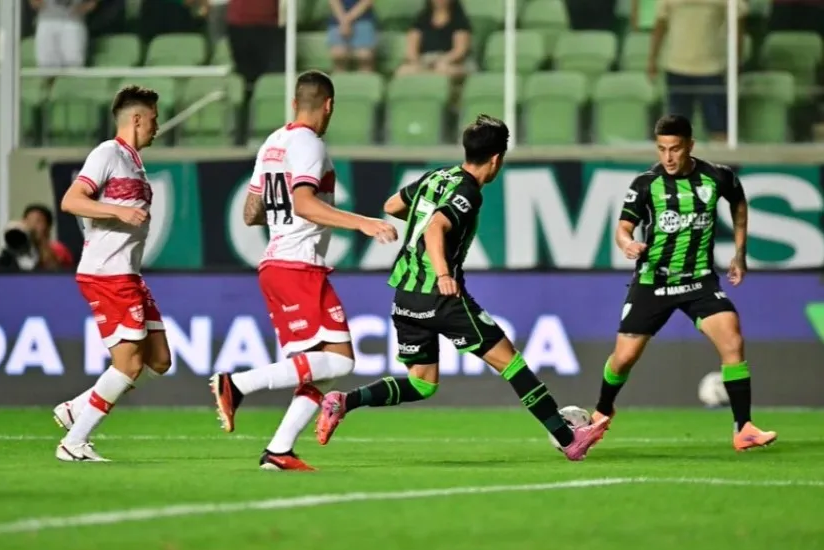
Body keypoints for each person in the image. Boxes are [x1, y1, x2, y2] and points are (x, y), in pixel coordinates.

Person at [314, 115, 611, 462]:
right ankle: (567, 439)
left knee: (422, 382)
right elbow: (435, 228)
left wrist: (425, 222)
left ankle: (343, 401)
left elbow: (392, 205)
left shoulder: (437, 176)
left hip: (405, 295)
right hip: (441, 297)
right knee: (511, 364)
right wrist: (442, 273)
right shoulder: (467, 190)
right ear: (497, 159)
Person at [209, 70, 398, 472]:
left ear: (295, 103)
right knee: (342, 361)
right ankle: (237, 384)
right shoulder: (309, 143)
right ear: (328, 105)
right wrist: (362, 222)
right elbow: (305, 204)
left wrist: (283, 217)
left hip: (277, 263)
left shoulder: (272, 143)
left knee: (321, 371)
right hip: (298, 266)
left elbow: (250, 212)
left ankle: (279, 450)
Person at [591, 115, 777, 451]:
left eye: (675, 149)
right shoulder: (646, 184)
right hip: (653, 282)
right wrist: (627, 243)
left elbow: (738, 201)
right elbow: (622, 227)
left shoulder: (717, 177)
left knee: (732, 339)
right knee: (624, 358)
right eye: (662, 149)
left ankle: (743, 427)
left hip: (699, 282)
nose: (668, 157)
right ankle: (603, 410)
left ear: (690, 145)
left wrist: (740, 252)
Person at [52, 85, 172, 462]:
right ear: (137, 119)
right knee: (130, 364)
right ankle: (74, 442)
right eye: (153, 117)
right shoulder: (108, 152)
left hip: (128, 273)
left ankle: (78, 407)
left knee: (159, 361)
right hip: (107, 273)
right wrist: (120, 212)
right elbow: (71, 201)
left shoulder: (134, 162)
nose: (158, 124)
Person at [648, 0, 748, 143]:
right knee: (676, 128)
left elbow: (737, 25)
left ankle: (722, 163)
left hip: (712, 68)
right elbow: (660, 25)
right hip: (676, 67)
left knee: (718, 126)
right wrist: (652, 59)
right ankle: (678, 165)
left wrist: (737, 60)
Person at [396, 0, 474, 79]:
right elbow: (411, 49)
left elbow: (459, 51)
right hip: (425, 60)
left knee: (444, 69)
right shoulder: (421, 20)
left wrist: (442, 61)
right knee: (403, 71)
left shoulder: (459, 21)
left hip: (452, 62)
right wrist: (418, 62)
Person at [30, 0, 96, 68]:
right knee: (45, 66)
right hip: (46, 20)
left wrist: (88, 6)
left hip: (73, 22)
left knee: (74, 64)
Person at [328, 0, 377, 72]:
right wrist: (343, 21)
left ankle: (365, 81)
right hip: (338, 19)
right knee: (339, 54)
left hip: (363, 18)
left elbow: (367, 1)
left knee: (364, 56)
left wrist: (348, 20)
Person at [22, 203, 74, 270]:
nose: (32, 225)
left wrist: (42, 242)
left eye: (38, 221)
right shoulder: (18, 249)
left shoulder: (59, 249)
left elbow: (54, 272)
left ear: (48, 227)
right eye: (28, 220)